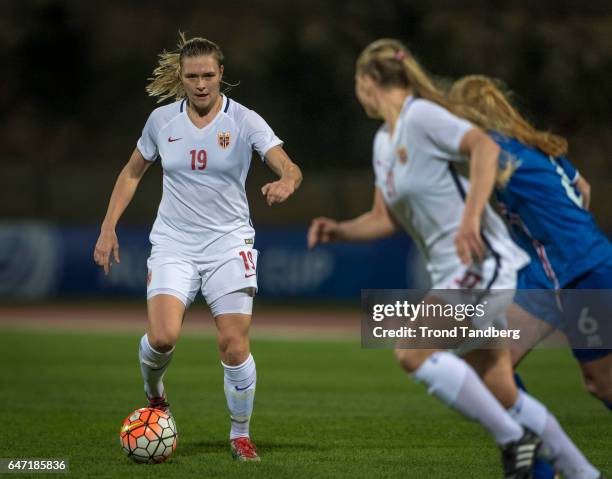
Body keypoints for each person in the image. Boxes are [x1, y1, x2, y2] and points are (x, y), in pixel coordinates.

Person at [308, 38, 603, 479]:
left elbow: (483, 147)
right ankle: (583, 474)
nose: (357, 90)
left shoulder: (422, 116)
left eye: (357, 81)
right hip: (456, 269)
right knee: (499, 386)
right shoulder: (383, 143)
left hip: (481, 264)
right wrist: (340, 230)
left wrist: (469, 220)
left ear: (369, 82)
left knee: (410, 349)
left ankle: (514, 439)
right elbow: (383, 218)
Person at [93, 33, 302, 462]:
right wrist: (108, 226)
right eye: (193, 77)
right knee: (163, 338)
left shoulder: (244, 120)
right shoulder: (161, 122)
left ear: (221, 74)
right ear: (182, 78)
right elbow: (132, 173)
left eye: (209, 75)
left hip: (229, 242)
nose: (202, 84)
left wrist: (286, 180)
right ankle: (155, 395)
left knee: (233, 344)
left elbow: (288, 164)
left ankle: (240, 435)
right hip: (173, 242)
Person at [448, 75, 612, 409]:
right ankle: (535, 454)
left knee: (603, 384)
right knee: (483, 362)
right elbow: (583, 188)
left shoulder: (495, 150)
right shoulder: (529, 145)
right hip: (546, 274)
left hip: (583, 271)